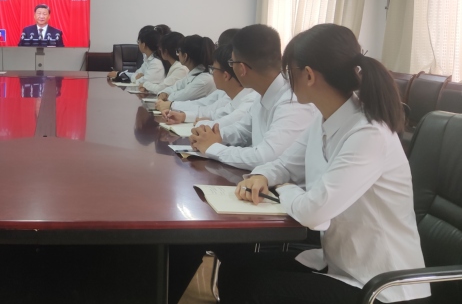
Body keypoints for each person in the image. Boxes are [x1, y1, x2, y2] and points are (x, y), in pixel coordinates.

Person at [176, 24, 432, 304]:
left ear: (308, 75)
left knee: (255, 288)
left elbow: (312, 211)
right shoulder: (325, 119)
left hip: (383, 287)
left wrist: (283, 188)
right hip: (341, 265)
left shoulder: (369, 134)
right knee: (238, 266)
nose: (285, 80)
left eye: (289, 72)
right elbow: (284, 164)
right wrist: (263, 176)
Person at [187, 24, 318, 170]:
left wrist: (213, 148)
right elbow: (242, 130)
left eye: (231, 62)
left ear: (242, 68)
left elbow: (265, 157)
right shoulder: (263, 92)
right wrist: (210, 136)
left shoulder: (293, 101)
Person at [162, 44, 258, 136]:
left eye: (213, 69)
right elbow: (213, 113)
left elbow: (223, 125)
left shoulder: (250, 101)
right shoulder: (233, 97)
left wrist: (203, 123)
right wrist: (184, 116)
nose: (212, 73)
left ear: (226, 75)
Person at [154, 34, 216, 106]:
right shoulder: (193, 73)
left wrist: (167, 96)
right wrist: (164, 92)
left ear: (185, 56)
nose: (177, 54)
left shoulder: (203, 80)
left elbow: (180, 98)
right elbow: (175, 87)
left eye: (178, 51)